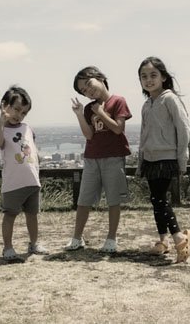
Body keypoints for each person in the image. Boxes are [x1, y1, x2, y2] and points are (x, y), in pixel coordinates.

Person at [65, 66, 132, 253]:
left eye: (89, 84)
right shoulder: (88, 109)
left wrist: (101, 112)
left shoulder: (118, 101)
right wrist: (79, 114)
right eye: (84, 90)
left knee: (113, 200)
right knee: (83, 199)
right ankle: (76, 238)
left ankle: (111, 238)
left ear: (100, 78)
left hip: (113, 157)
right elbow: (89, 135)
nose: (88, 90)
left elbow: (118, 129)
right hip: (92, 157)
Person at [137, 56, 190, 263]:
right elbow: (143, 135)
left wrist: (181, 158)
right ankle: (163, 241)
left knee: (159, 199)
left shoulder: (169, 99)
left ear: (163, 77)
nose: (148, 80)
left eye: (153, 75)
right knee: (156, 200)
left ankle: (179, 237)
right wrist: (141, 160)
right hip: (151, 158)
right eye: (144, 76)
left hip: (167, 157)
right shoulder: (146, 105)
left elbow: (183, 128)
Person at [0, 85, 49, 261]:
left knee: (32, 215)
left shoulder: (28, 128)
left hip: (32, 181)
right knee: (10, 215)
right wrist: (1, 121)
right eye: (16, 109)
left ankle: (34, 243)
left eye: (23, 112)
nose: (19, 115)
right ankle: (7, 247)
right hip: (13, 183)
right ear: (4, 105)